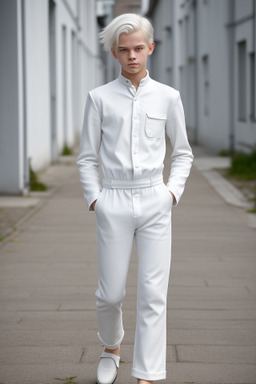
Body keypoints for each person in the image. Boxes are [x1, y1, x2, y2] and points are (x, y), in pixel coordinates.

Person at [77, 13, 193, 384]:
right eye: (124, 50)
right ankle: (111, 347)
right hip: (113, 200)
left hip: (155, 200)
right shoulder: (99, 99)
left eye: (139, 48)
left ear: (150, 48)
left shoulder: (168, 97)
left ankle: (147, 374)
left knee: (153, 293)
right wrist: (95, 198)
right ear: (114, 53)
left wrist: (172, 192)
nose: (132, 56)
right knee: (110, 294)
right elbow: (86, 157)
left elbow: (183, 152)